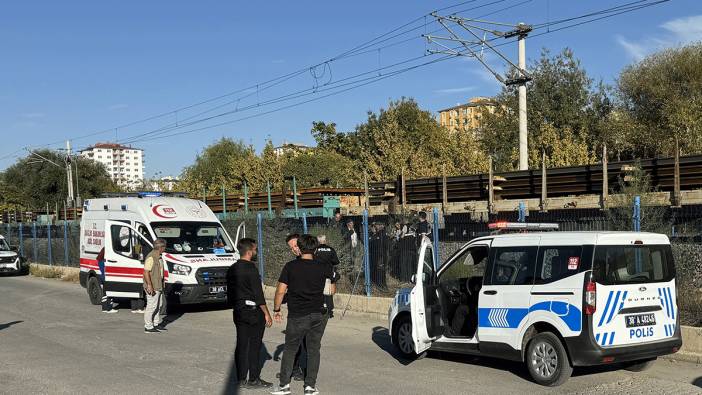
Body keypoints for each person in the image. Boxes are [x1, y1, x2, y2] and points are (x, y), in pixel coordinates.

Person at [271, 235, 335, 395]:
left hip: (297, 315)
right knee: (313, 350)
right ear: (315, 249)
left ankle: (284, 386)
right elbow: (331, 290)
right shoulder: (323, 267)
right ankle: (310, 387)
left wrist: (277, 309)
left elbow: (280, 291)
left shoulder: (290, 267)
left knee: (290, 349)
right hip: (317, 314)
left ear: (299, 246)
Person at [227, 238, 273, 390]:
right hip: (253, 312)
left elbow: (230, 294)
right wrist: (266, 313)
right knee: (254, 345)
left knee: (241, 344)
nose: (256, 252)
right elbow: (258, 294)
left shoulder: (232, 268)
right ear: (249, 251)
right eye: (255, 250)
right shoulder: (251, 268)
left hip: (239, 311)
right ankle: (253, 379)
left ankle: (241, 378)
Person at [143, 238, 167, 333]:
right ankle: (148, 326)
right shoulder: (151, 257)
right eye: (164, 246)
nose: (165, 248)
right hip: (153, 285)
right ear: (160, 247)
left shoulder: (159, 256)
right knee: (151, 306)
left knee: (158, 305)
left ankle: (156, 324)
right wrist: (149, 285)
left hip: (158, 285)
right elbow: (146, 272)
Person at [314, 235, 340, 318]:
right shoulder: (330, 249)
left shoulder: (315, 249)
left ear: (318, 241)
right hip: (328, 273)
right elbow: (336, 261)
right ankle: (329, 311)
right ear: (325, 241)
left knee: (318, 292)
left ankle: (319, 309)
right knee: (328, 293)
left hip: (317, 273)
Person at [96, 247, 117, 314]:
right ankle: (108, 308)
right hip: (105, 277)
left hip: (103, 277)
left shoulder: (101, 261)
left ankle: (105, 308)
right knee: (107, 291)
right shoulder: (104, 262)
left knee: (105, 292)